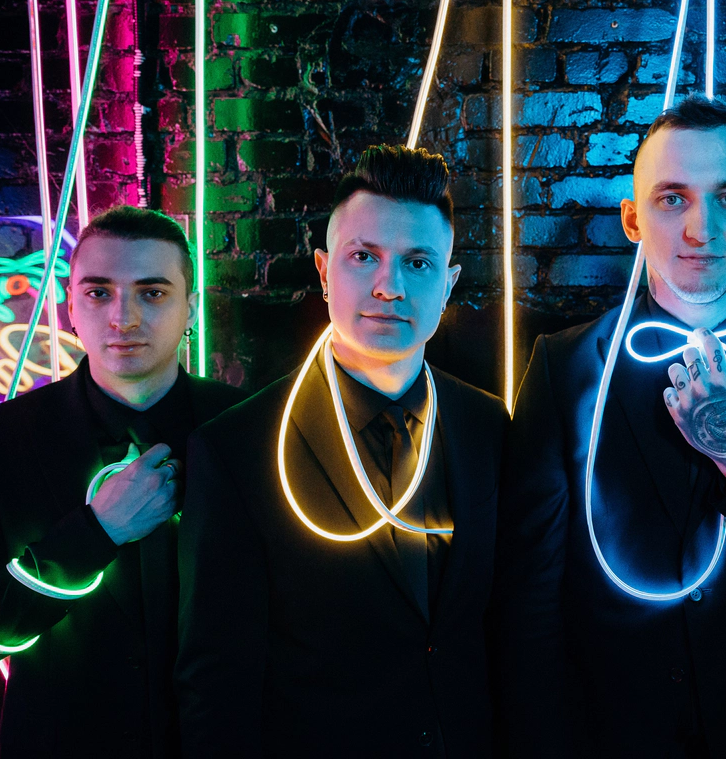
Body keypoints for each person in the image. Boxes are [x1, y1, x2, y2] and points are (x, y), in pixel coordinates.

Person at [492, 95, 726, 757]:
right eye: (673, 199)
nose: (702, 229)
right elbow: (529, 599)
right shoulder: (566, 367)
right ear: (632, 219)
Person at [175, 145, 507, 757]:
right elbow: (217, 684)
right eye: (364, 257)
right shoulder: (237, 450)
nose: (390, 287)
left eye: (417, 262)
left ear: (448, 283)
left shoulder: (488, 426)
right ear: (325, 273)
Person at [0, 205, 246, 758]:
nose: (123, 318)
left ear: (191, 307)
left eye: (152, 293)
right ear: (70, 305)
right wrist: (95, 533)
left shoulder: (250, 429)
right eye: (98, 292)